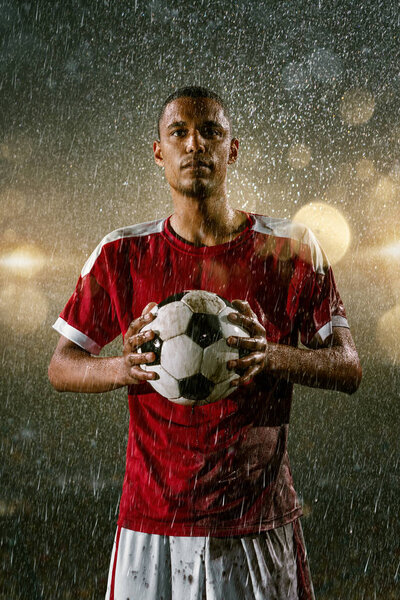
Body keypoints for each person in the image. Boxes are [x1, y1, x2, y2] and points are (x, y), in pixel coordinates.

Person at [48, 86, 362, 600]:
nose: (195, 145)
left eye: (211, 132)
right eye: (179, 133)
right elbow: (61, 366)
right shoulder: (121, 254)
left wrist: (272, 356)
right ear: (159, 153)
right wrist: (120, 368)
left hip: (256, 523)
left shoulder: (291, 248)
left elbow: (349, 367)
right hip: (151, 523)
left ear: (232, 149)